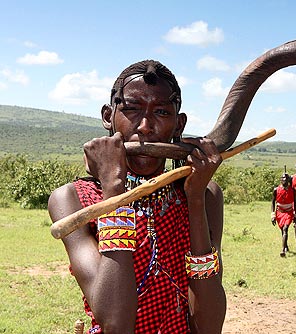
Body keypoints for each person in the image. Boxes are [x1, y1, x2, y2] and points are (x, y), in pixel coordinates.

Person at [48, 60, 226, 333]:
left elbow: (209, 325)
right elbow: (115, 323)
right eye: (131, 109)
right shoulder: (72, 199)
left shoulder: (205, 194)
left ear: (179, 125)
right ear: (108, 116)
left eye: (162, 112)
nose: (144, 126)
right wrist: (113, 192)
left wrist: (196, 200)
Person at [271, 173, 296, 257]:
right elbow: (273, 202)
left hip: (289, 212)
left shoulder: (292, 190)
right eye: (282, 178)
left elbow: (295, 203)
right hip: (279, 212)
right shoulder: (276, 190)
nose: (284, 179)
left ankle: (283, 250)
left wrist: (295, 214)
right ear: (280, 180)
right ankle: (285, 245)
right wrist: (273, 215)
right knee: (282, 229)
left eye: (286, 178)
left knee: (285, 228)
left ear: (289, 180)